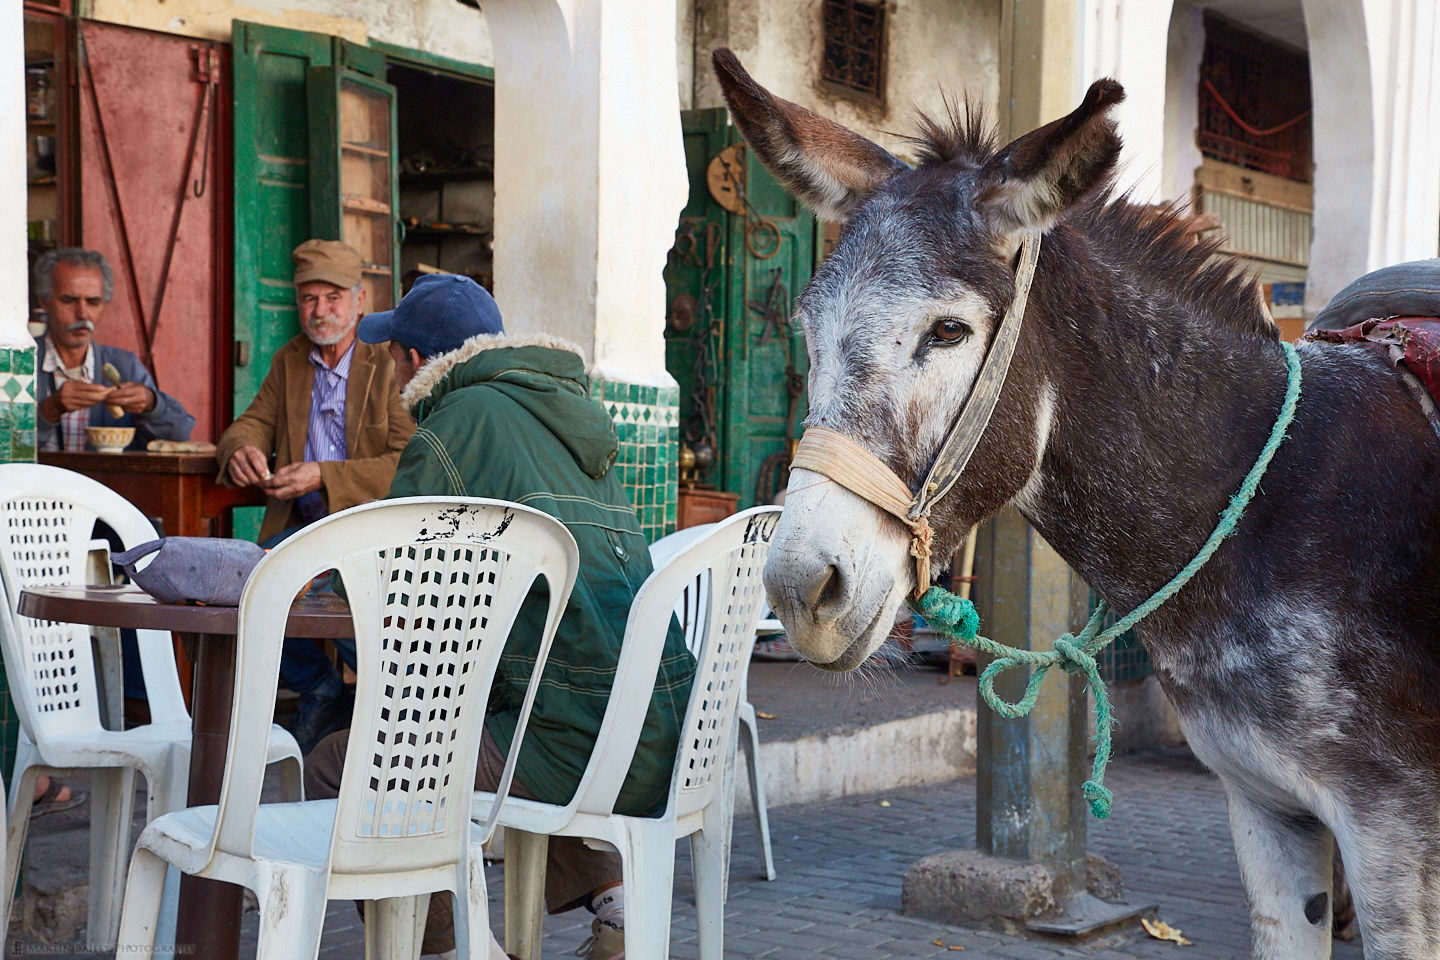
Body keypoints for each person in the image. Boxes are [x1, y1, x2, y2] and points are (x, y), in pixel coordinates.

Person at [305, 274, 696, 960]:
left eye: (395, 354)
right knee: (521, 712)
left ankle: (443, 950)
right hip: (661, 730)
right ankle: (618, 906)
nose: (393, 371)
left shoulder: (455, 425)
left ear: (417, 361)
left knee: (352, 764)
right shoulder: (572, 422)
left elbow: (401, 585)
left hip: (572, 742)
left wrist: (327, 574)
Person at [215, 239, 415, 750]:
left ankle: (393, 714)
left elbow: (408, 463)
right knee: (247, 587)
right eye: (309, 298)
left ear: (359, 300)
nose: (320, 311)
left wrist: (324, 475)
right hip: (302, 530)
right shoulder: (292, 361)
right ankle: (318, 687)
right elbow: (250, 424)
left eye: (333, 297)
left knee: (359, 619)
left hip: (366, 530)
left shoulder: (384, 365)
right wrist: (242, 450)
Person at [33, 248, 195, 452]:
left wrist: (151, 405)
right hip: (37, 484)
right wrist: (50, 409)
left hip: (106, 484)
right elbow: (5, 447)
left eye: (93, 302)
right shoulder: (22, 363)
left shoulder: (123, 365)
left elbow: (180, 437)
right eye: (68, 301)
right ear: (44, 302)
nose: (82, 313)